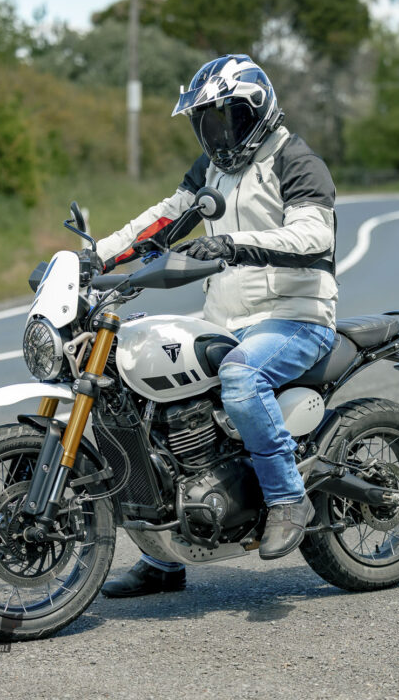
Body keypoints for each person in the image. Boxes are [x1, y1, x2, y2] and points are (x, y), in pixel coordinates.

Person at [90, 55, 339, 598]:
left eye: (227, 119)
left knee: (242, 378)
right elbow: (159, 220)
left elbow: (312, 237)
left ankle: (287, 498)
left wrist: (231, 244)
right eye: (207, 121)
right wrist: (95, 257)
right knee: (135, 385)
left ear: (258, 111)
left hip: (295, 318)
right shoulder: (211, 173)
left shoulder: (296, 161)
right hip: (225, 321)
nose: (217, 132)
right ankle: (165, 553)